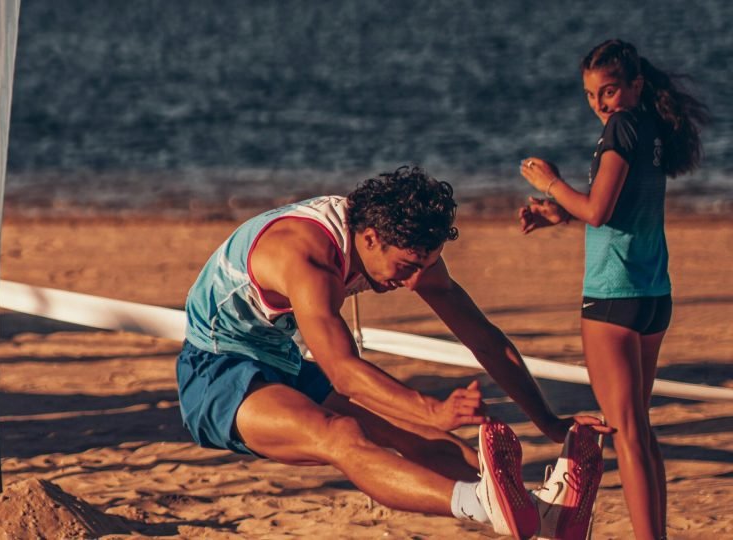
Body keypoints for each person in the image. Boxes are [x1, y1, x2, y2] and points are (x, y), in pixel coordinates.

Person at [177, 166, 608, 538]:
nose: (412, 280)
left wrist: (547, 420)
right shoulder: (307, 257)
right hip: (215, 371)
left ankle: (544, 520)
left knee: (431, 441)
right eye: (406, 268)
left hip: (280, 358)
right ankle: (504, 510)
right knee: (342, 435)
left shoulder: (402, 244)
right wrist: (429, 407)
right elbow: (345, 373)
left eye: (424, 266)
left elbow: (483, 338)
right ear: (369, 238)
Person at [519, 39, 709, 540]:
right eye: (590, 95)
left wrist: (551, 183)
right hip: (651, 294)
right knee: (639, 431)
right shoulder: (647, 130)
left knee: (625, 433)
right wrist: (558, 214)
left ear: (634, 85)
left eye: (608, 91)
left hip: (614, 297)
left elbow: (599, 211)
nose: (599, 103)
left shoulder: (620, 127)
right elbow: (619, 212)